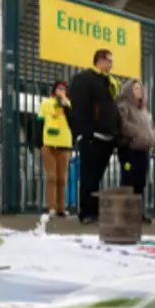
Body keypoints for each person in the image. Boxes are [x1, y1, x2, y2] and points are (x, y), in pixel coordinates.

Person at [67, 49, 120, 224]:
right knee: (88, 175)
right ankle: (86, 212)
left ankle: (95, 211)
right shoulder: (84, 79)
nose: (111, 65)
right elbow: (79, 107)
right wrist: (85, 131)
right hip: (92, 136)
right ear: (99, 61)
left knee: (97, 176)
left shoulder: (109, 82)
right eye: (109, 61)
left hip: (107, 136)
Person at [116, 77, 155, 224]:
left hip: (143, 151)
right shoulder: (124, 106)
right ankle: (125, 213)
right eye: (135, 89)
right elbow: (123, 125)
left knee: (140, 182)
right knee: (128, 180)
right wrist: (138, 132)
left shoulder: (144, 110)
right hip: (129, 151)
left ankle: (138, 213)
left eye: (140, 88)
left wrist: (153, 136)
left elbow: (150, 127)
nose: (138, 91)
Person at [39, 80, 73, 217]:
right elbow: (40, 121)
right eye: (59, 88)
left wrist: (65, 106)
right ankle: (51, 207)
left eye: (63, 88)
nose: (61, 90)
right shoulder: (46, 103)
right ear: (54, 90)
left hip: (64, 144)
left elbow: (73, 121)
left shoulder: (68, 104)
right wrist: (39, 143)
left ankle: (61, 208)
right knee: (52, 176)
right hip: (49, 143)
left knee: (62, 178)